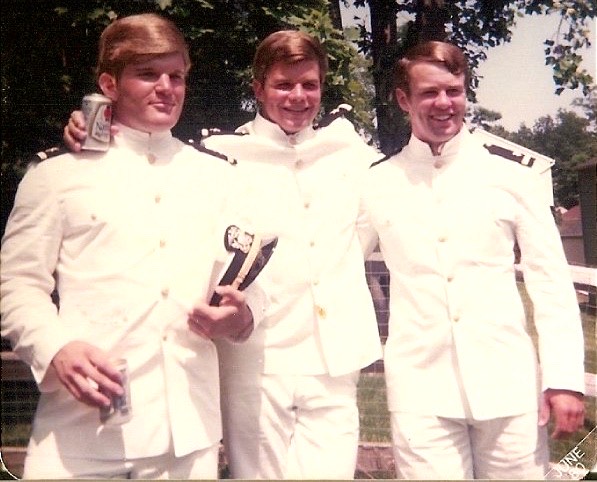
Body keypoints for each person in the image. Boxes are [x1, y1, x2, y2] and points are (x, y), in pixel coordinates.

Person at [65, 29, 383, 479]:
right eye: (283, 85)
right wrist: (91, 128)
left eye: (309, 85)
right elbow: (144, 169)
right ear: (258, 89)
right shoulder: (219, 156)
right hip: (256, 357)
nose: (298, 96)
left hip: (335, 361)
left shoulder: (353, 156)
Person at [1, 13, 262, 479]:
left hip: (186, 438)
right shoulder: (57, 175)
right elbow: (17, 284)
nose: (166, 88)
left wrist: (242, 317)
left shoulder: (217, 177)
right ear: (109, 84)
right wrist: (55, 347)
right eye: (147, 74)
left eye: (176, 76)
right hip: (80, 436)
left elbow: (248, 280)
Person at [359, 40, 585, 479]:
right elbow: (336, 265)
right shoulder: (378, 183)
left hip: (508, 388)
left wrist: (563, 379)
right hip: (421, 393)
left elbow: (550, 283)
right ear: (404, 99)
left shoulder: (512, 176)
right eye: (429, 93)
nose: (444, 103)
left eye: (454, 91)